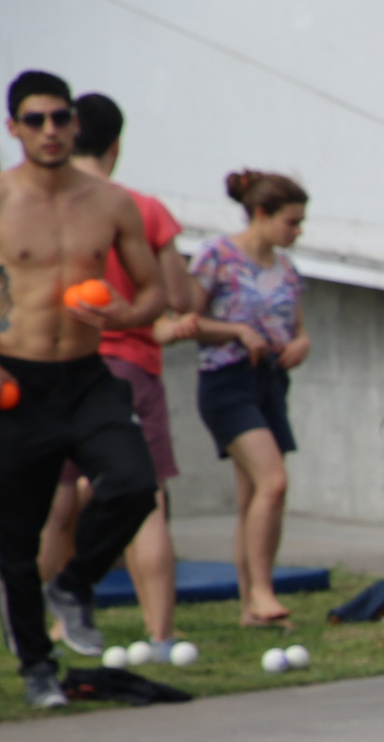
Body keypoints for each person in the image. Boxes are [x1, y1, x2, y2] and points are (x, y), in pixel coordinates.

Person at [0, 70, 166, 710]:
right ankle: (38, 666)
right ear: (14, 127)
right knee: (15, 539)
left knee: (133, 484)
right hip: (16, 379)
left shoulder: (112, 203)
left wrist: (128, 315)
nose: (51, 130)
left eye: (61, 118)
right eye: (36, 119)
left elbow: (154, 293)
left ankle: (73, 585)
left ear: (75, 124)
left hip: (87, 376)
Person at [36, 91, 197, 661]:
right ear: (117, 143)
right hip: (123, 366)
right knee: (143, 497)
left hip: (50, 371)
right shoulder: (140, 207)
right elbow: (177, 296)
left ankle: (53, 628)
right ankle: (159, 634)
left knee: (58, 499)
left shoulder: (33, 203)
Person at [191, 168, 309, 629]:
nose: (297, 232)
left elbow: (299, 330)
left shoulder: (287, 270)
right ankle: (263, 591)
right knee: (273, 482)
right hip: (226, 381)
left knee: (254, 496)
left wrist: (301, 344)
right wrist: (237, 330)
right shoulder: (216, 257)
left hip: (271, 383)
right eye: (291, 222)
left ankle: (251, 607)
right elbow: (185, 320)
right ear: (262, 213)